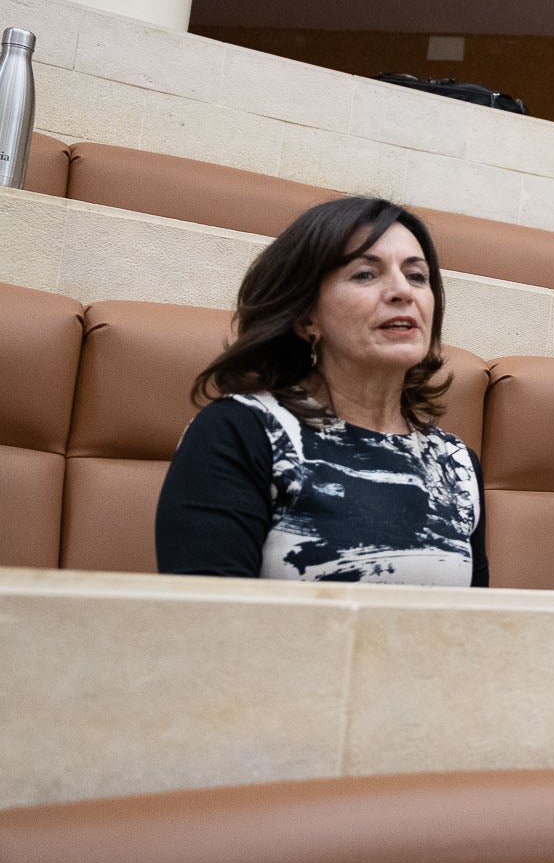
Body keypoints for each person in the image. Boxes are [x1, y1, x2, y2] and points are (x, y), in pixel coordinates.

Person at [157, 196, 486, 584]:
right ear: (305, 317)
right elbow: (206, 624)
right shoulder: (241, 432)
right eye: (365, 274)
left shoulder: (456, 464)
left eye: (417, 276)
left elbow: (475, 627)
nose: (403, 292)